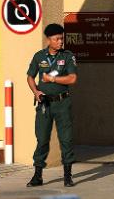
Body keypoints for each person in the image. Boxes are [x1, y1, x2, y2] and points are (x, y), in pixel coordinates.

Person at [25, 23, 78, 188]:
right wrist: (36, 92)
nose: (61, 41)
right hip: (45, 104)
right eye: (57, 39)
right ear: (49, 40)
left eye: (62, 38)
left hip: (62, 103)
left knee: (66, 139)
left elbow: (72, 79)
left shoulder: (68, 56)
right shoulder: (39, 56)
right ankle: (37, 175)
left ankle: (68, 175)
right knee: (41, 139)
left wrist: (53, 79)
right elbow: (30, 76)